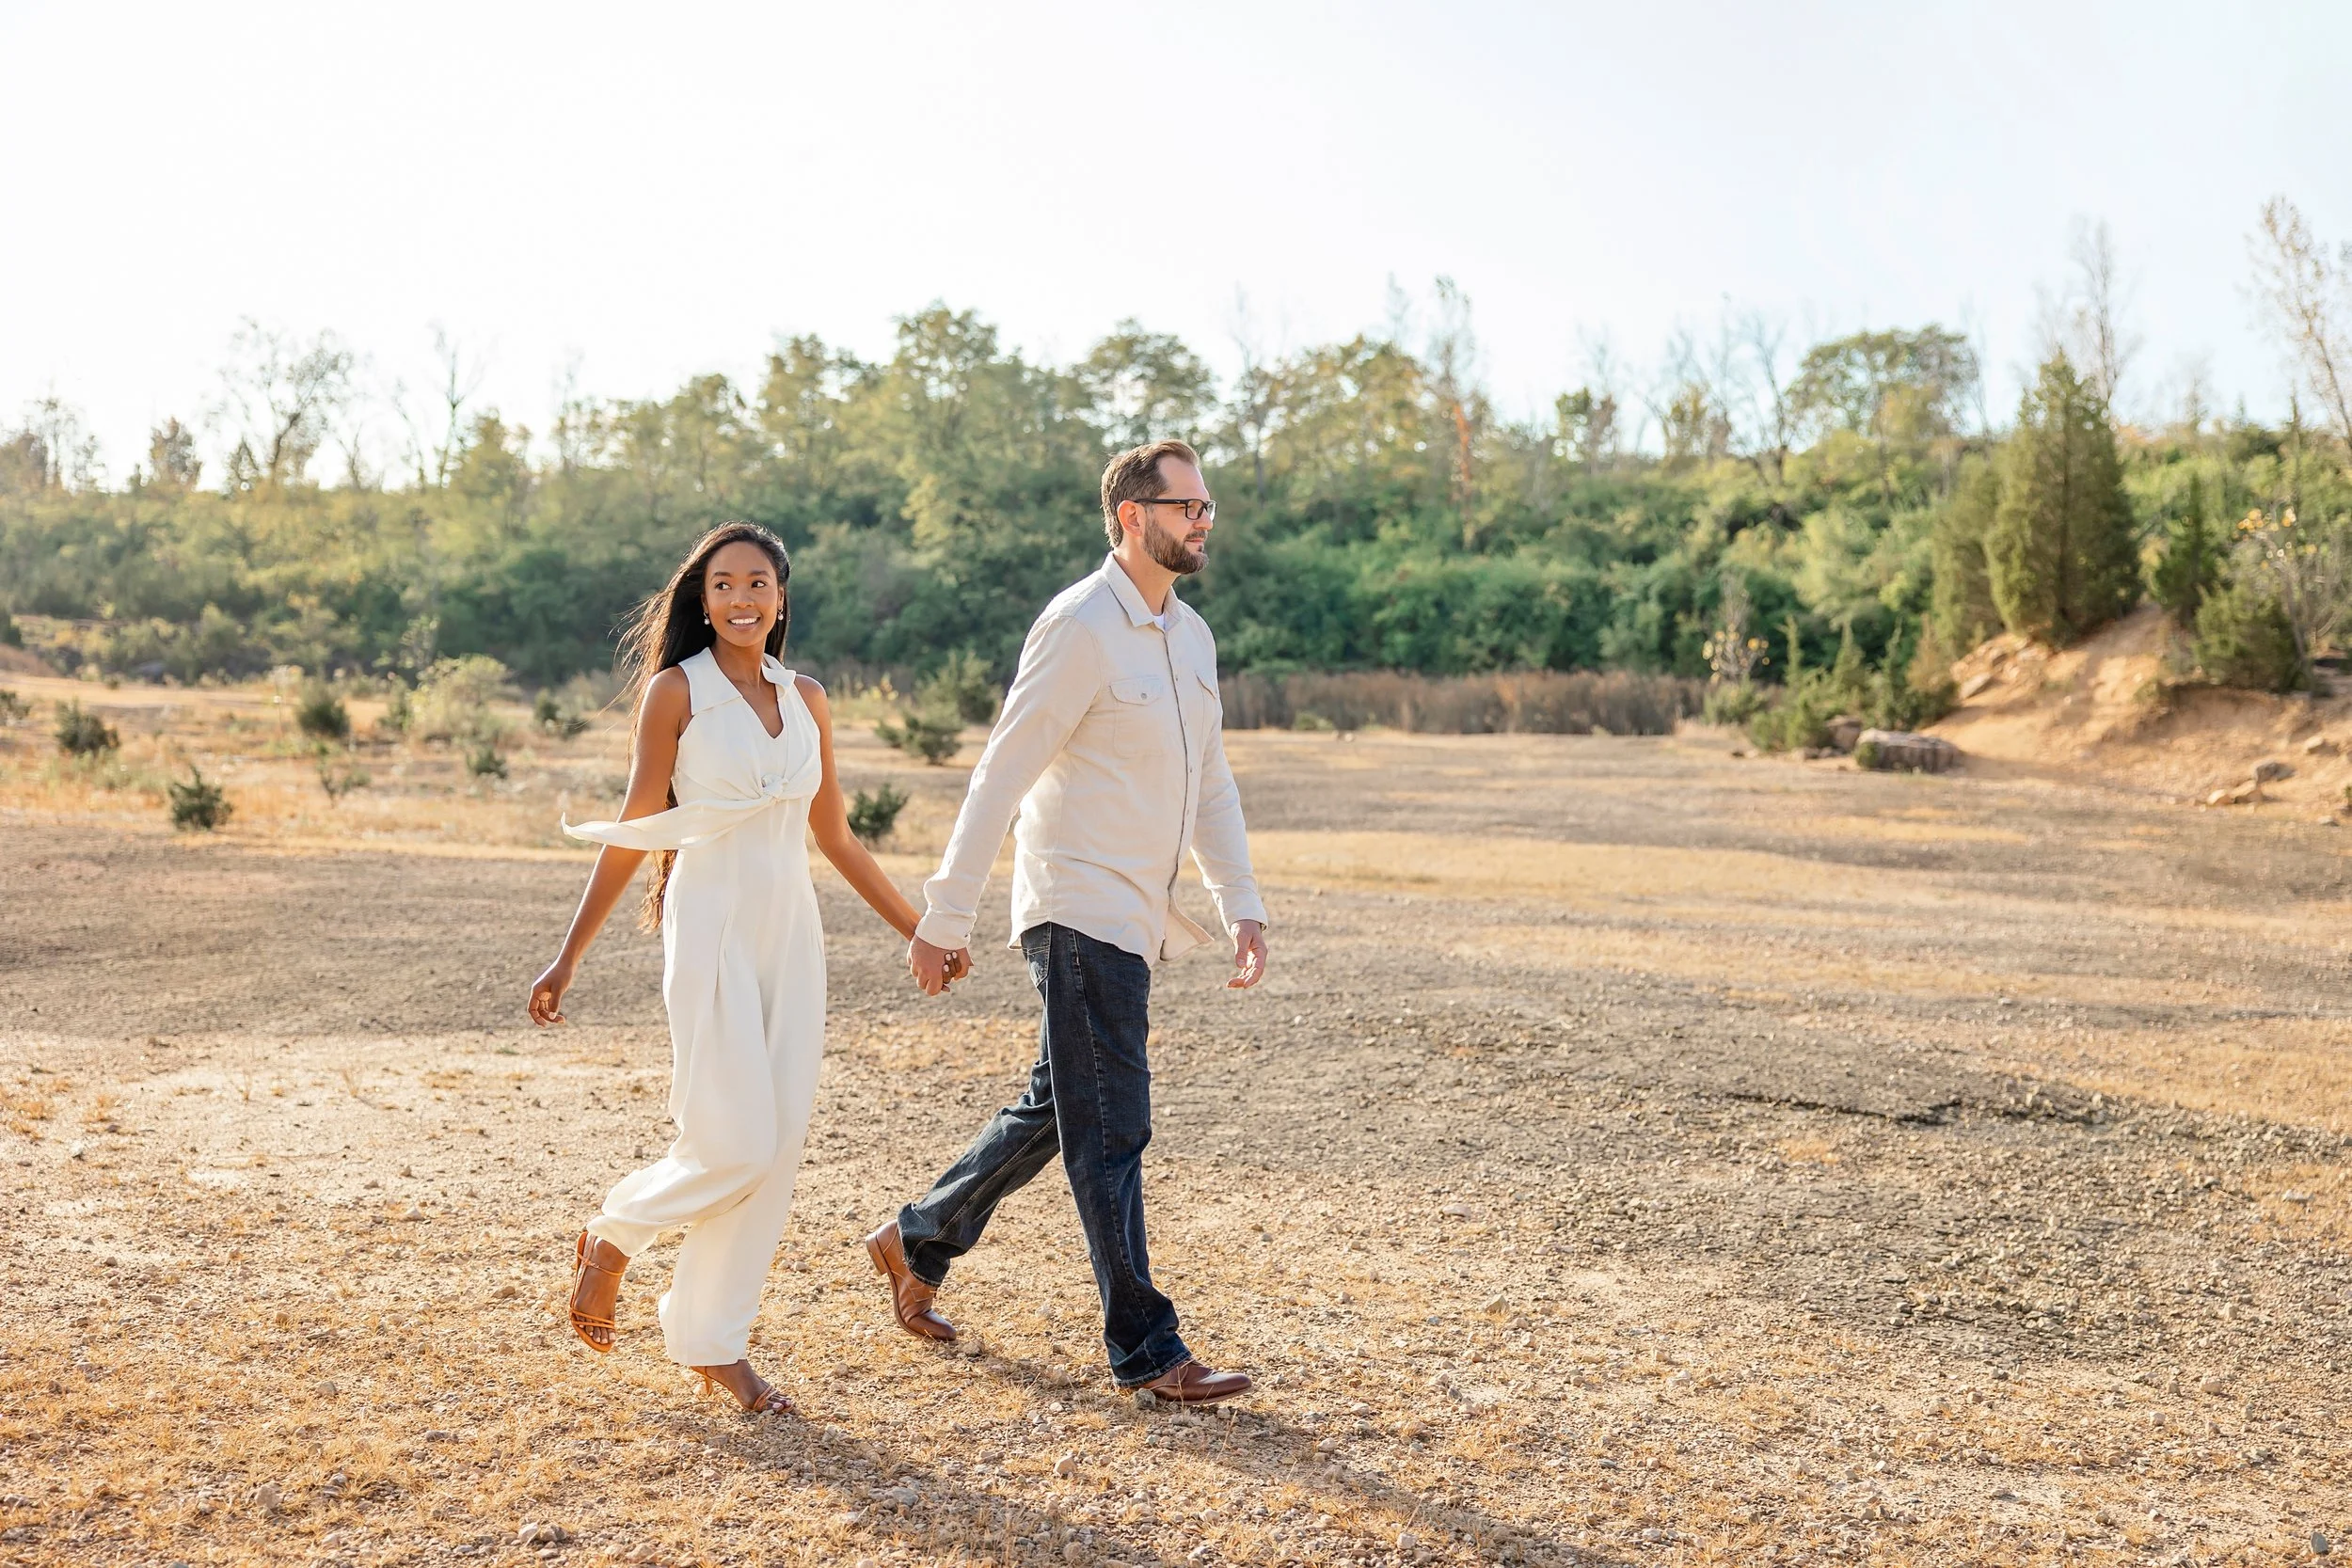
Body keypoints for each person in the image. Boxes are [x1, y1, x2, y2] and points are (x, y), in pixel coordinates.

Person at [866, 438, 1270, 1405]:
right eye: (1186, 507)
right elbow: (1000, 770)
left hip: (1136, 912)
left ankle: (917, 1234)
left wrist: (1241, 902)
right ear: (1133, 515)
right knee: (1112, 1128)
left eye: (1207, 507)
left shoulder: (1191, 637)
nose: (1202, 521)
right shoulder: (1079, 624)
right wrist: (943, 914)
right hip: (1076, 904)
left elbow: (1208, 783)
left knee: (1064, 1103)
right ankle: (1146, 1344)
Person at [528, 521, 956, 1415]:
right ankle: (614, 1236)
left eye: (756, 583)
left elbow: (834, 834)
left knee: (776, 1148)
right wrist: (569, 954)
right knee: (735, 1138)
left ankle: (713, 1341)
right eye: (722, 585)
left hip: (791, 934)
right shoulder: (675, 694)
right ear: (703, 597)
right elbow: (638, 824)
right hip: (712, 922)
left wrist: (919, 928)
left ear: (782, 595)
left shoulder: (808, 696)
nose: (740, 600)